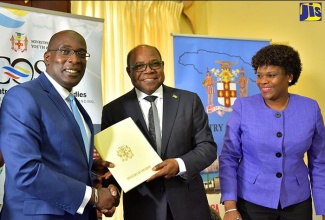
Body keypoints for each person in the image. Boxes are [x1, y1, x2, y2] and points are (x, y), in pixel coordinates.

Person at [0, 30, 120, 220]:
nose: (74, 59)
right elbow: (26, 171)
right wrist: (94, 197)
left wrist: (92, 171)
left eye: (81, 54)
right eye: (65, 51)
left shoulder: (77, 107)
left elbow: (59, 160)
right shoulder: (23, 97)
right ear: (47, 57)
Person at [101, 44, 217, 220]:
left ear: (162, 66)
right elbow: (114, 161)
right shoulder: (114, 110)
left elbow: (207, 147)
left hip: (188, 207)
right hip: (142, 208)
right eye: (139, 66)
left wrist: (179, 165)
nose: (148, 70)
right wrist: (112, 192)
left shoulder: (189, 101)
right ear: (128, 71)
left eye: (154, 64)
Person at [219, 44, 325, 220]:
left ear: (289, 76)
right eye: (259, 75)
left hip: (297, 202)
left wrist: (323, 208)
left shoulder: (310, 108)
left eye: (271, 75)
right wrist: (230, 206)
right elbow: (229, 157)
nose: (262, 81)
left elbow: (320, 162)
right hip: (252, 201)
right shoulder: (243, 107)